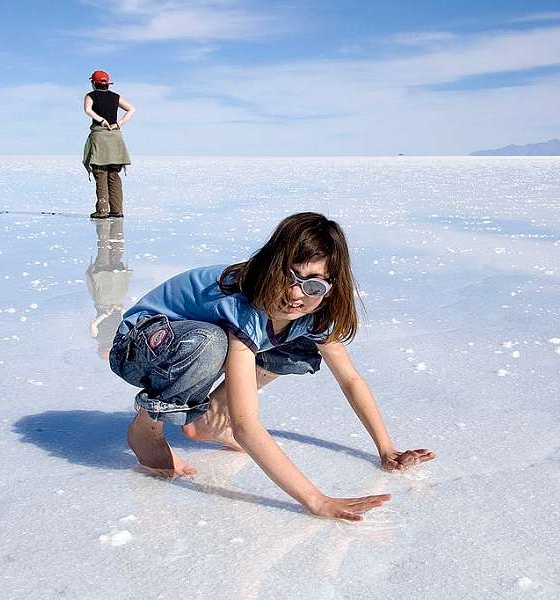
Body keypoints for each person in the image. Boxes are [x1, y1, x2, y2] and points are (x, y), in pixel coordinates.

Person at [109, 212, 435, 521]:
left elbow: (349, 379)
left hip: (192, 346)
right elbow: (246, 425)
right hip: (139, 346)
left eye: (313, 286)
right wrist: (316, 500)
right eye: (288, 276)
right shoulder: (243, 305)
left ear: (330, 289)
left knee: (300, 344)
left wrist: (387, 449)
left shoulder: (314, 313)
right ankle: (148, 426)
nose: (295, 294)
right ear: (270, 266)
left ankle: (210, 418)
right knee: (210, 342)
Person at [83, 70, 134, 219]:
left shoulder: (90, 96)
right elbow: (132, 109)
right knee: (114, 174)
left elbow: (87, 110)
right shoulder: (115, 97)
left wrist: (100, 120)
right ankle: (117, 210)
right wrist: (119, 123)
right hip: (115, 138)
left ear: (93, 83)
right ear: (108, 84)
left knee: (100, 173)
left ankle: (102, 210)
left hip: (100, 137)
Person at [86, 218, 132, 359]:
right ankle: (112, 232)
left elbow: (94, 325)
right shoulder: (118, 336)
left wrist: (107, 313)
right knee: (113, 262)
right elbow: (126, 319)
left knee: (108, 262)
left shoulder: (99, 337)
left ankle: (107, 232)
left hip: (105, 300)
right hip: (114, 299)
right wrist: (119, 309)